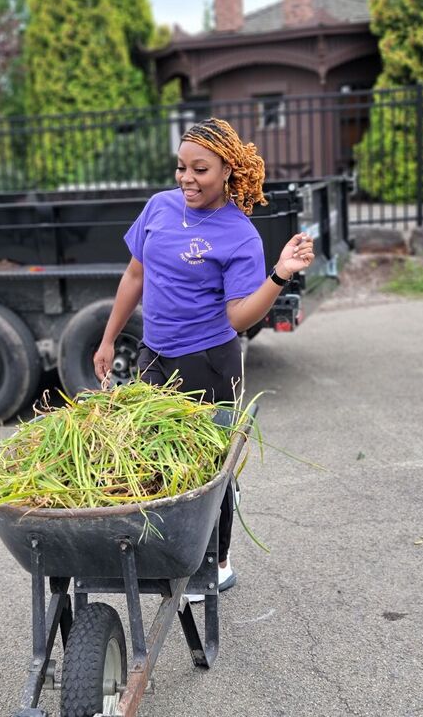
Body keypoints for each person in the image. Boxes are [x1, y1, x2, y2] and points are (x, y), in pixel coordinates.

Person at [93, 117, 314, 600]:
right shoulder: (159, 207)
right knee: (159, 457)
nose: (187, 179)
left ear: (228, 172)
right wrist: (109, 339)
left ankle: (217, 562)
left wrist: (278, 275)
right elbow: (135, 275)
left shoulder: (239, 235)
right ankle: (172, 552)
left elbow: (239, 319)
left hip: (208, 361)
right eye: (181, 168)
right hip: (154, 355)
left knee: (210, 470)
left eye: (201, 170)